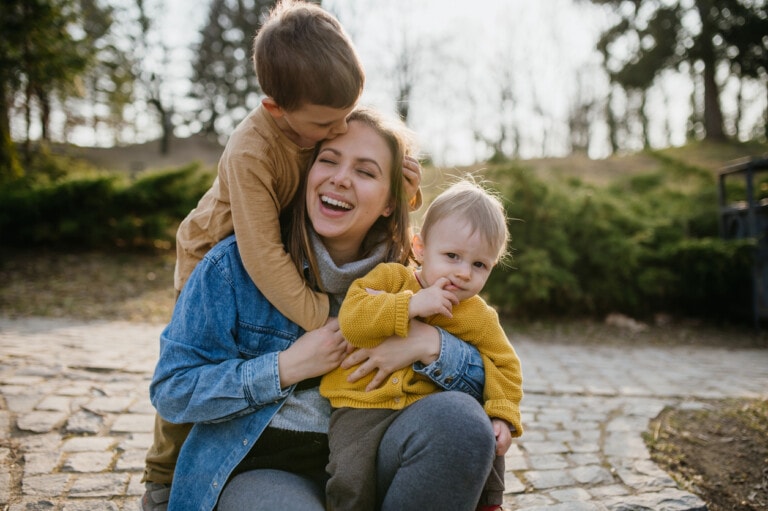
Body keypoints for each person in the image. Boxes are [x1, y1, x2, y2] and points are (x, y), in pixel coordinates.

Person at [140, 2, 421, 509]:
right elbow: (261, 254)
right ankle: (162, 476)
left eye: (344, 118)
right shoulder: (251, 151)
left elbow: (358, 174)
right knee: (193, 348)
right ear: (277, 109)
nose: (338, 133)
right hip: (221, 249)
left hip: (275, 246)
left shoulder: (313, 121)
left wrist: (402, 188)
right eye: (327, 131)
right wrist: (319, 320)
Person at [149, 108, 497, 511]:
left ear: (389, 202)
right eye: (328, 160)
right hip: (268, 469)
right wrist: (286, 367)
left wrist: (430, 345)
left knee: (461, 424)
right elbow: (172, 390)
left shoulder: (419, 278)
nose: (341, 178)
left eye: (366, 172)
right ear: (306, 175)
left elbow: (494, 378)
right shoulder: (234, 268)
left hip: (372, 460)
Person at [320, 178, 523, 511]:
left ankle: (487, 505)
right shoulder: (391, 278)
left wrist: (503, 415)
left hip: (425, 414)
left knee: (482, 437)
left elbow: (504, 364)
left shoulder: (478, 316)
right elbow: (352, 321)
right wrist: (409, 305)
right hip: (361, 406)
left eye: (479, 265)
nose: (463, 274)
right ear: (420, 248)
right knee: (350, 480)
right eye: (452, 256)